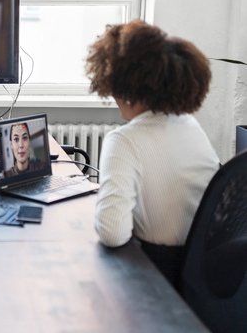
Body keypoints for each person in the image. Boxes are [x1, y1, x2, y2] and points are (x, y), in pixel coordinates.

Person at [85, 19, 219, 288]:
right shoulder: (189, 125)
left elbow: (112, 234)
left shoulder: (124, 141)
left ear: (123, 87)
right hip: (208, 273)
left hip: (160, 276)